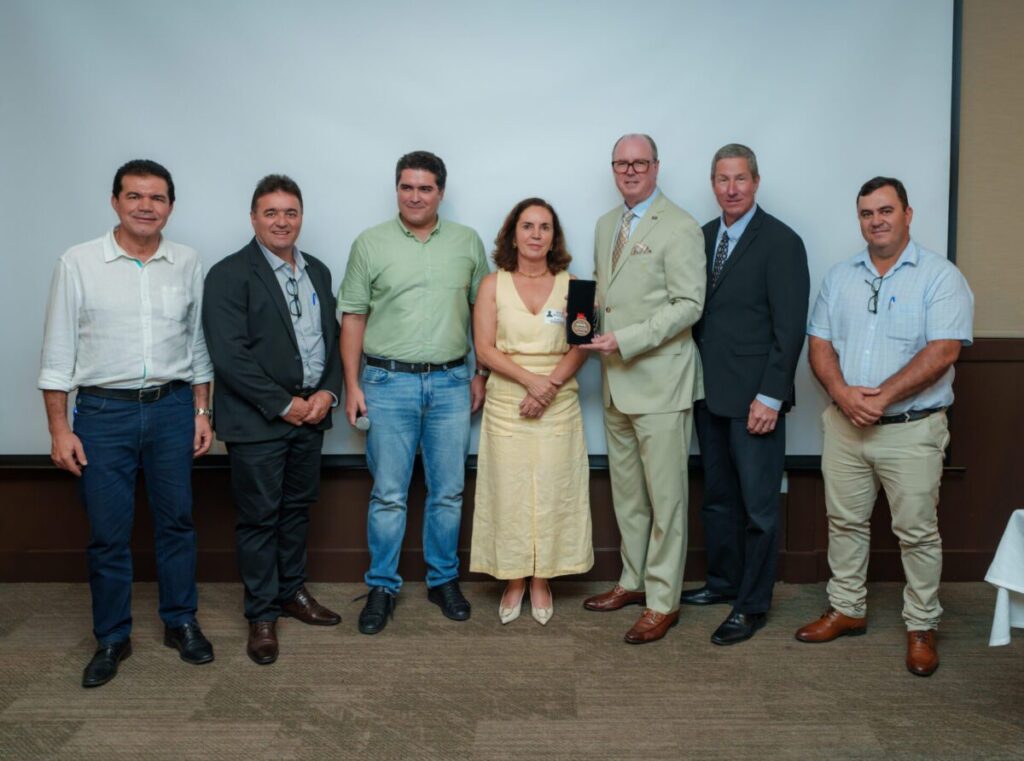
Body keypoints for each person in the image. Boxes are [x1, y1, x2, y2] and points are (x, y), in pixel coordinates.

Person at [39, 159, 215, 687]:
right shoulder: (78, 262)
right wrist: (59, 429)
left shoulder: (187, 262)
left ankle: (181, 621)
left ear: (171, 207)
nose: (145, 206)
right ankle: (112, 636)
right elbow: (57, 353)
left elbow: (196, 345)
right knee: (108, 534)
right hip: (102, 414)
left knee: (177, 523)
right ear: (115, 201)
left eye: (157, 198)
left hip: (172, 408)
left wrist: (202, 411)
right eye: (134, 196)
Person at [795, 177, 974, 677]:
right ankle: (847, 608)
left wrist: (881, 398)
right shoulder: (840, 277)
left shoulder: (940, 277)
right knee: (844, 523)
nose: (876, 221)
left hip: (912, 430)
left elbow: (944, 350)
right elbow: (819, 345)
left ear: (907, 214)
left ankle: (921, 624)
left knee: (916, 532)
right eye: (867, 213)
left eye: (886, 210)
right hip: (845, 426)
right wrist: (842, 394)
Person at [338, 151, 489, 635]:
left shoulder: (467, 242)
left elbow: (483, 313)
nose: (415, 196)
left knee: (448, 491)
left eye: (425, 188)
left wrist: (481, 372)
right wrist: (351, 385)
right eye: (407, 187)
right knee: (388, 494)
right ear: (397, 189)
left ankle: (443, 580)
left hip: (451, 383)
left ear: (440, 192)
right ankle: (382, 586)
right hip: (387, 384)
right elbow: (353, 317)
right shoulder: (370, 243)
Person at [203, 174, 343, 665]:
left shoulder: (317, 271)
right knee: (260, 518)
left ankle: (291, 592)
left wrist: (327, 392)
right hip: (259, 420)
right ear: (253, 218)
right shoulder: (228, 274)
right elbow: (229, 355)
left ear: (301, 217)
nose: (282, 221)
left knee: (296, 510)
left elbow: (331, 339)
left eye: (290, 212)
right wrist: (285, 404)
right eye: (271, 213)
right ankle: (261, 614)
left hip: (311, 415)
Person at [581, 134, 706, 644]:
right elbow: (603, 295)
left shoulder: (680, 225)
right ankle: (632, 581)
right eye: (621, 163)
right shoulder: (605, 224)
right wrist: (575, 321)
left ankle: (662, 601)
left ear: (656, 166)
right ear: (613, 169)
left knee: (666, 500)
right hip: (615, 383)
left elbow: (689, 305)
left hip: (660, 384)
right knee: (629, 496)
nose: (630, 171)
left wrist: (625, 339)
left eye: (639, 163)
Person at [682, 144, 809, 645]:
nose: (731, 189)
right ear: (712, 184)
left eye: (740, 179)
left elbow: (789, 328)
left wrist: (771, 397)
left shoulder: (781, 241)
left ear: (755, 181)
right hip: (708, 393)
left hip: (756, 400)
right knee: (717, 499)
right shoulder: (701, 237)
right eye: (722, 179)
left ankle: (752, 605)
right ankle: (723, 583)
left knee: (758, 508)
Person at [470, 198, 593, 625]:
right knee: (509, 493)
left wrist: (547, 388)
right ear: (513, 234)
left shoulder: (574, 286)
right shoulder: (492, 285)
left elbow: (581, 346)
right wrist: (530, 383)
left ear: (554, 237)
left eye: (544, 227)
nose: (536, 235)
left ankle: (542, 579)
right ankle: (514, 578)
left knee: (556, 491)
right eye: (527, 226)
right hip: (508, 403)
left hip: (558, 402)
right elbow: (484, 349)